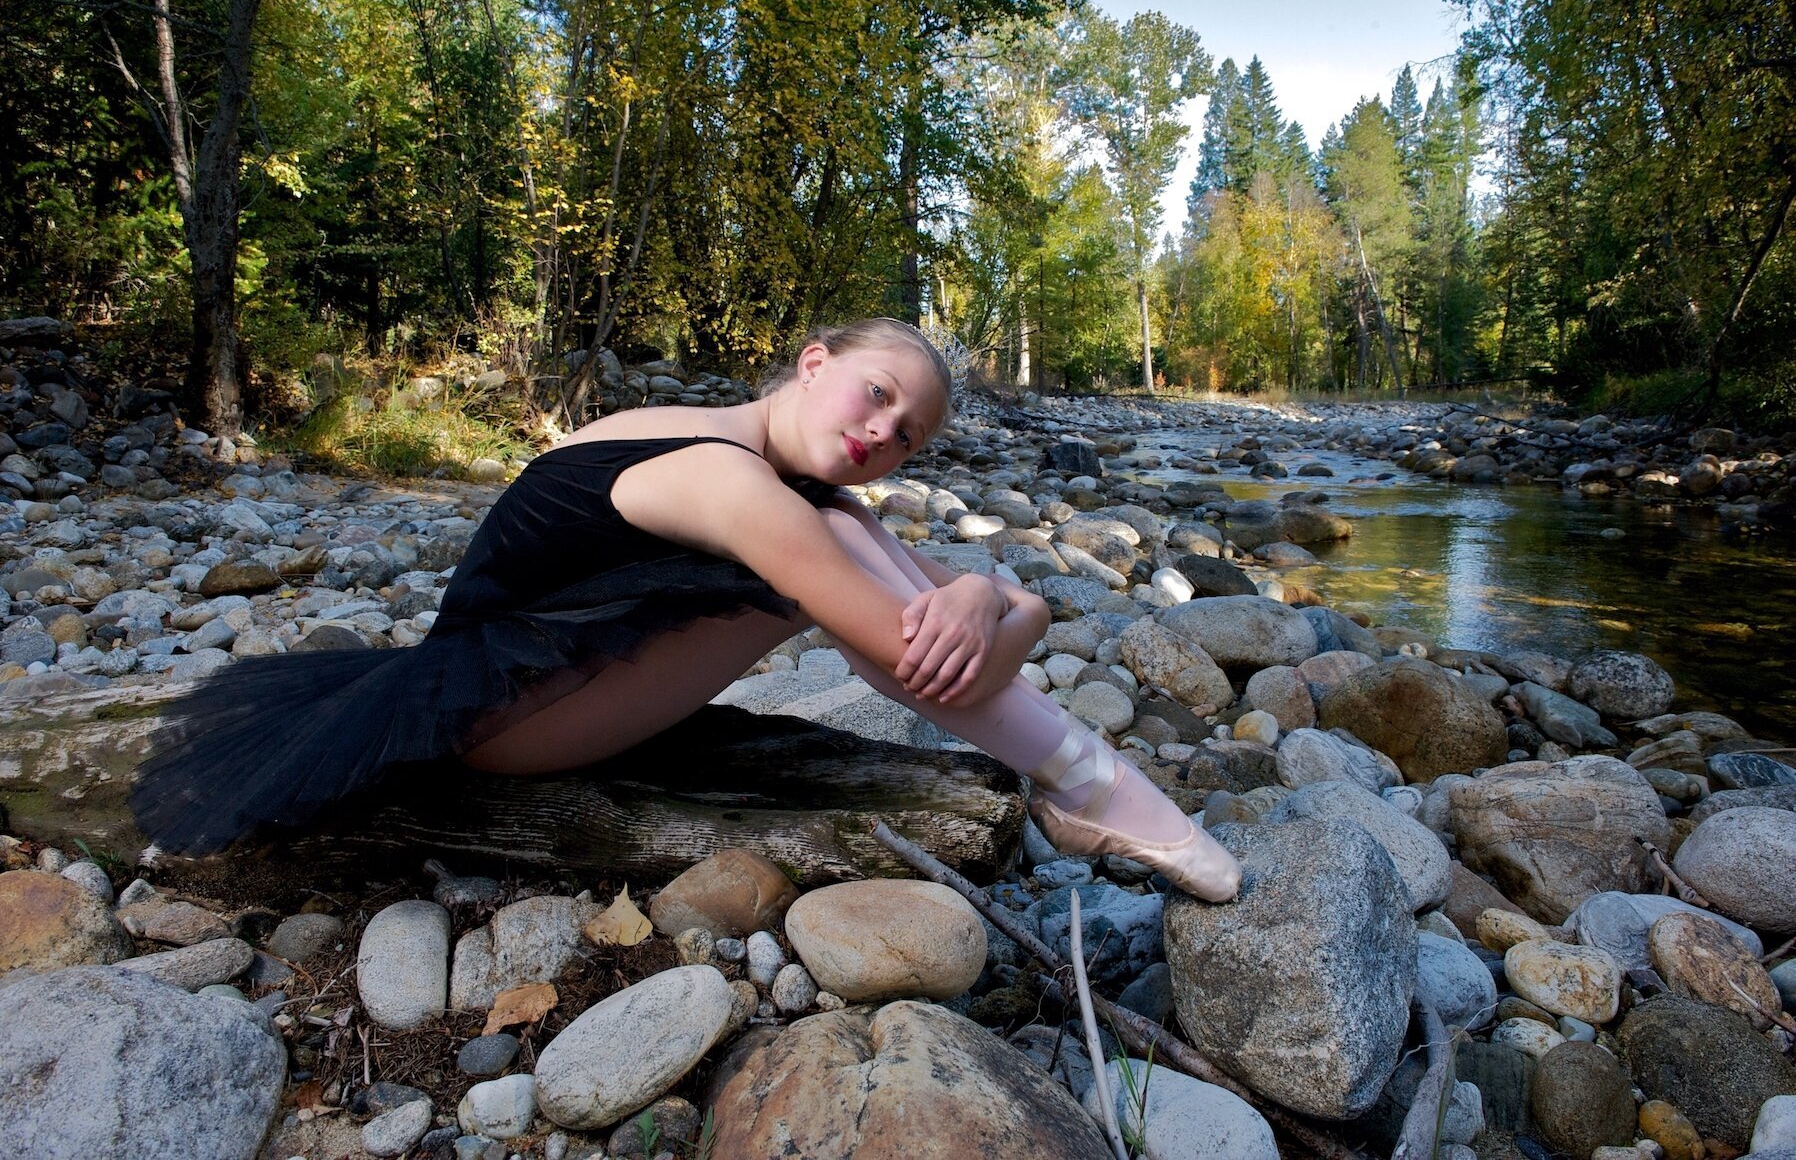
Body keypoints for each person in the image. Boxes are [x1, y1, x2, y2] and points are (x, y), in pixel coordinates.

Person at [131, 318, 1241, 901]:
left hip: (540, 677)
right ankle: (1099, 789)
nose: (881, 434)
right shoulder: (729, 481)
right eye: (876, 394)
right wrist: (1001, 604)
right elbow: (922, 661)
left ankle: (1090, 784)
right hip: (495, 716)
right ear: (813, 363)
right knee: (824, 567)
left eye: (906, 435)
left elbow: (951, 609)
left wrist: (986, 587)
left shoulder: (743, 456)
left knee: (846, 540)